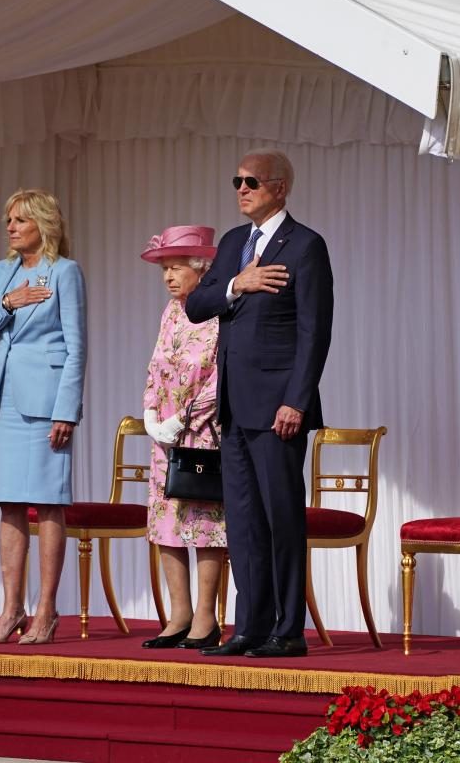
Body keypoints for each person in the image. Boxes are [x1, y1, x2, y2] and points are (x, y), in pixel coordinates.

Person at [184, 149, 333, 658]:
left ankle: (288, 629)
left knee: (281, 517)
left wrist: (297, 400)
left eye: (251, 181)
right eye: (237, 180)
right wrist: (235, 283)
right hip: (233, 405)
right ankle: (249, 626)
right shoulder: (232, 244)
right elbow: (196, 305)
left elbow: (315, 331)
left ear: (280, 188)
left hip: (278, 410)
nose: (242, 189)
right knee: (243, 521)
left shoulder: (306, 246)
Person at [0, 188, 87, 646]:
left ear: (44, 225)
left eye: (20, 220)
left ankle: (46, 610)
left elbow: (77, 347)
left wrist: (67, 410)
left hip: (47, 402)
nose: (11, 227)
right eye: (9, 220)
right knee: (9, 503)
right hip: (6, 402)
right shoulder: (2, 273)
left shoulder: (65, 273)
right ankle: (10, 607)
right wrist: (7, 303)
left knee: (48, 502)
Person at [138, 225, 226, 651]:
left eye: (176, 268)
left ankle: (207, 619)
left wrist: (186, 419)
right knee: (166, 523)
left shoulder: (218, 310)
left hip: (203, 433)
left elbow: (218, 375)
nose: (169, 277)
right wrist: (152, 414)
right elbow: (156, 366)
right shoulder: (170, 311)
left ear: (202, 269)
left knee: (204, 523)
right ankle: (179, 615)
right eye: (164, 269)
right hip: (164, 436)